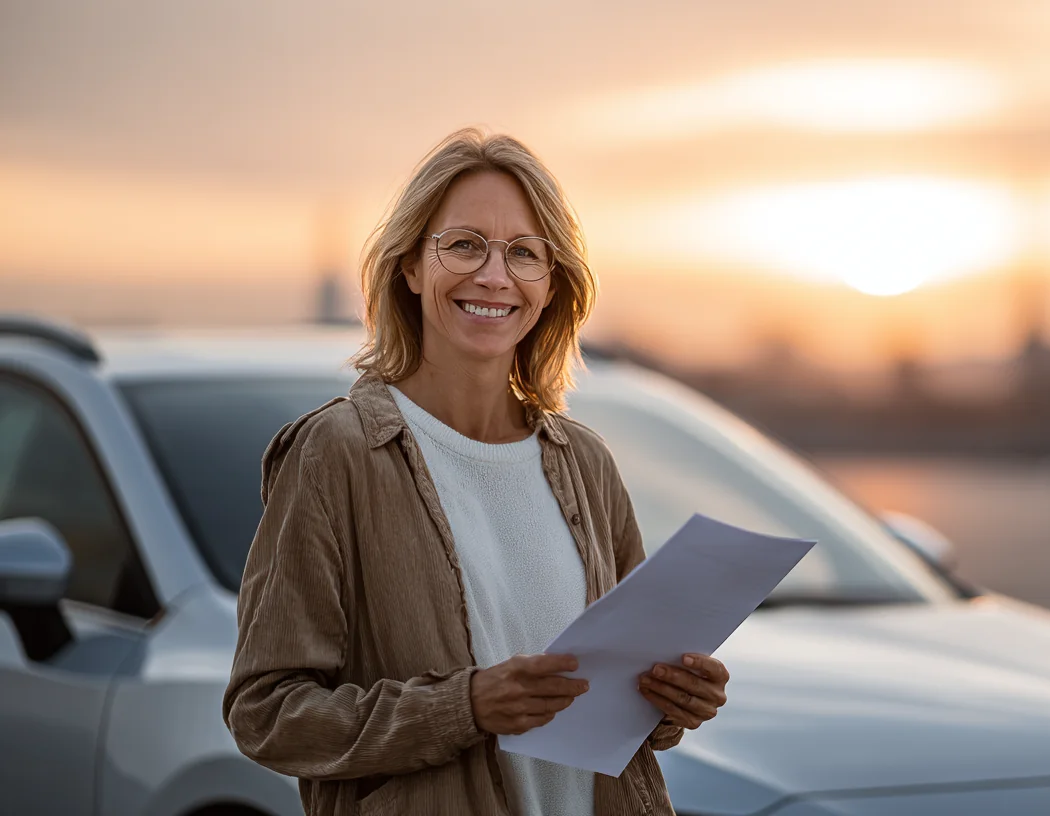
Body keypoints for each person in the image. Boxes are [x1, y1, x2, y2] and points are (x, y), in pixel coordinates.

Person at [223, 129, 729, 816]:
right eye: (464, 245)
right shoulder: (336, 453)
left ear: (552, 285)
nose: (494, 276)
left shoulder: (586, 464)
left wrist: (672, 702)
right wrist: (463, 707)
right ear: (409, 266)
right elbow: (267, 711)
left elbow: (623, 697)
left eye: (524, 253)